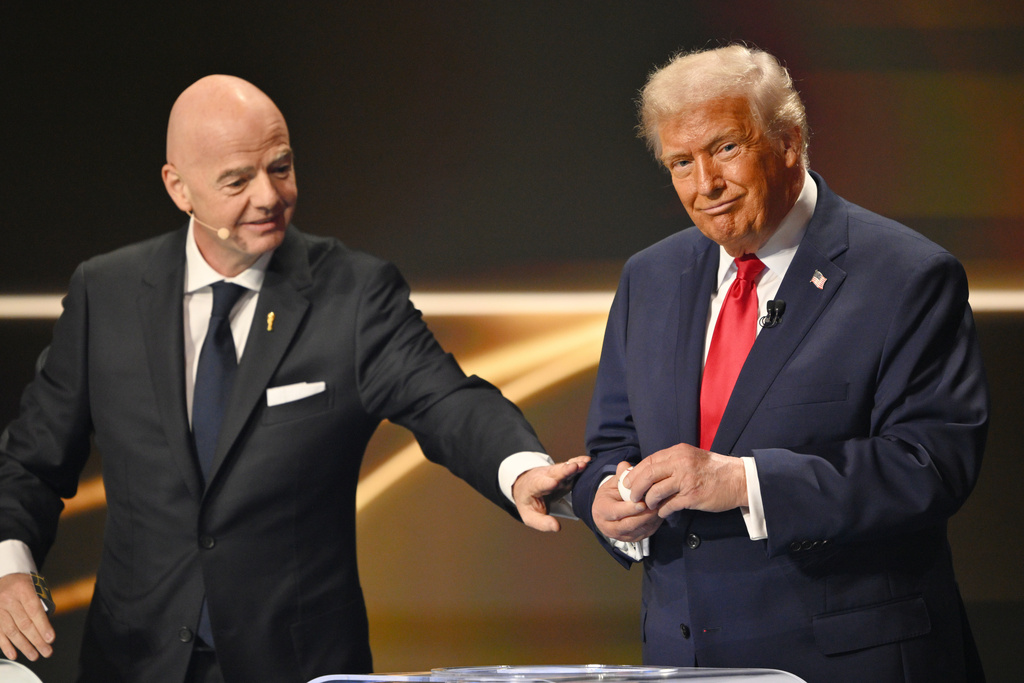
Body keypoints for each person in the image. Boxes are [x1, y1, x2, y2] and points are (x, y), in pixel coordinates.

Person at [0, 75, 586, 682]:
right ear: (180, 188)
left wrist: (517, 469)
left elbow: (445, 399)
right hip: (134, 662)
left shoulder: (355, 294)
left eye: (281, 167)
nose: (269, 196)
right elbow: (30, 463)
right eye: (237, 180)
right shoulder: (107, 294)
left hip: (295, 666)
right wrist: (9, 563)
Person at [572, 45, 988, 682]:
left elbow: (931, 464)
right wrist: (607, 500)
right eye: (681, 163)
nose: (704, 184)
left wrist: (744, 483)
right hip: (685, 661)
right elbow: (609, 444)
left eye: (726, 149)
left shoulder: (906, 276)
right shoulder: (649, 278)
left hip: (850, 661)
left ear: (789, 142)